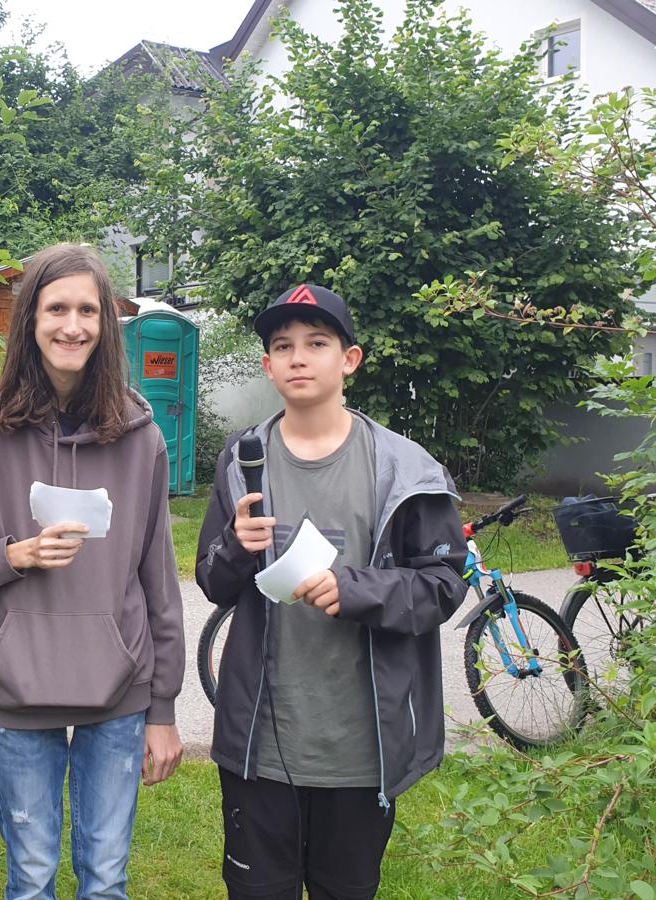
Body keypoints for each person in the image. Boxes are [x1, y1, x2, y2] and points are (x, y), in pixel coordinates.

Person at [0, 243, 185, 900]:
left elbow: (159, 582)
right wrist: (12, 556)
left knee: (106, 882)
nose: (73, 326)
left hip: (118, 693)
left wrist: (163, 708)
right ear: (30, 321)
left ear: (106, 325)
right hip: (17, 693)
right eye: (57, 309)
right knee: (32, 880)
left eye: (87, 311)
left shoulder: (141, 437)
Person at [195, 284, 468, 900]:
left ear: (350, 360)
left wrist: (356, 589)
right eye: (282, 346)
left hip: (361, 750)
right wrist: (236, 546)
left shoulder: (405, 468)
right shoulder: (242, 459)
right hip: (260, 747)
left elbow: (444, 584)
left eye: (317, 343)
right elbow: (212, 580)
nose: (298, 357)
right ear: (267, 365)